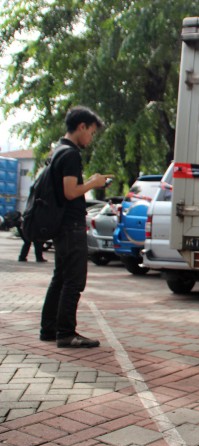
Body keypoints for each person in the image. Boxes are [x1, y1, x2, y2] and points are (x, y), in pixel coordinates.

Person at [40, 106, 113, 348]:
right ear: (81, 127)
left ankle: (49, 329)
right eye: (91, 132)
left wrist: (88, 182)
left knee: (60, 277)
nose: (91, 138)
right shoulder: (71, 154)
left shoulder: (57, 150)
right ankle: (66, 333)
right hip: (70, 225)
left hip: (60, 224)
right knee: (74, 280)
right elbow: (70, 192)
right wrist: (93, 182)